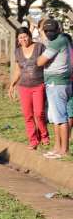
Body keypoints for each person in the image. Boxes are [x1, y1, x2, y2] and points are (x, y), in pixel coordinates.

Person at [7, 27, 49, 150]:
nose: (23, 39)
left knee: (39, 113)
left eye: (25, 36)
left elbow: (47, 63)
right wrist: (12, 85)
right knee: (28, 115)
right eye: (20, 37)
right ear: (17, 39)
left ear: (30, 36)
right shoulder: (18, 51)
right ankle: (33, 140)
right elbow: (18, 70)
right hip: (24, 87)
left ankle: (44, 135)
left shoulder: (40, 47)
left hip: (39, 85)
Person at [37, 18, 72, 159]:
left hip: (57, 84)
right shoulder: (62, 39)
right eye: (47, 31)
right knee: (56, 118)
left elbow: (40, 61)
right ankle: (57, 147)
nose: (49, 33)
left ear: (58, 30)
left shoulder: (57, 42)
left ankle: (63, 149)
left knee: (60, 118)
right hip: (60, 82)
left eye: (51, 30)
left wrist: (42, 59)